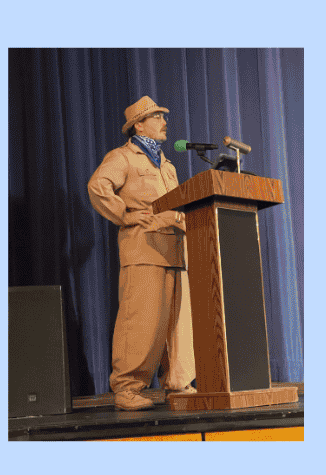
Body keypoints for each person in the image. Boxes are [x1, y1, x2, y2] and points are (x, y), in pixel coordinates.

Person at [87, 96, 197, 410]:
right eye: (157, 117)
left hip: (175, 251)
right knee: (141, 321)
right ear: (139, 124)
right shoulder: (124, 157)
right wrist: (124, 215)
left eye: (164, 116)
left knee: (177, 323)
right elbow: (98, 186)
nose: (164, 122)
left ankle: (177, 382)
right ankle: (127, 388)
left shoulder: (168, 164)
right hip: (144, 249)